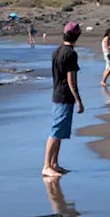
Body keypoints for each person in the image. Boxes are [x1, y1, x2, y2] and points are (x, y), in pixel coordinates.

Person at [43, 21, 85, 180]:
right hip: (64, 95)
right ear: (77, 36)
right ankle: (46, 166)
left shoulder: (57, 51)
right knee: (56, 132)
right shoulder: (71, 54)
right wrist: (79, 100)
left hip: (57, 93)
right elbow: (71, 81)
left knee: (60, 132)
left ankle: (54, 164)